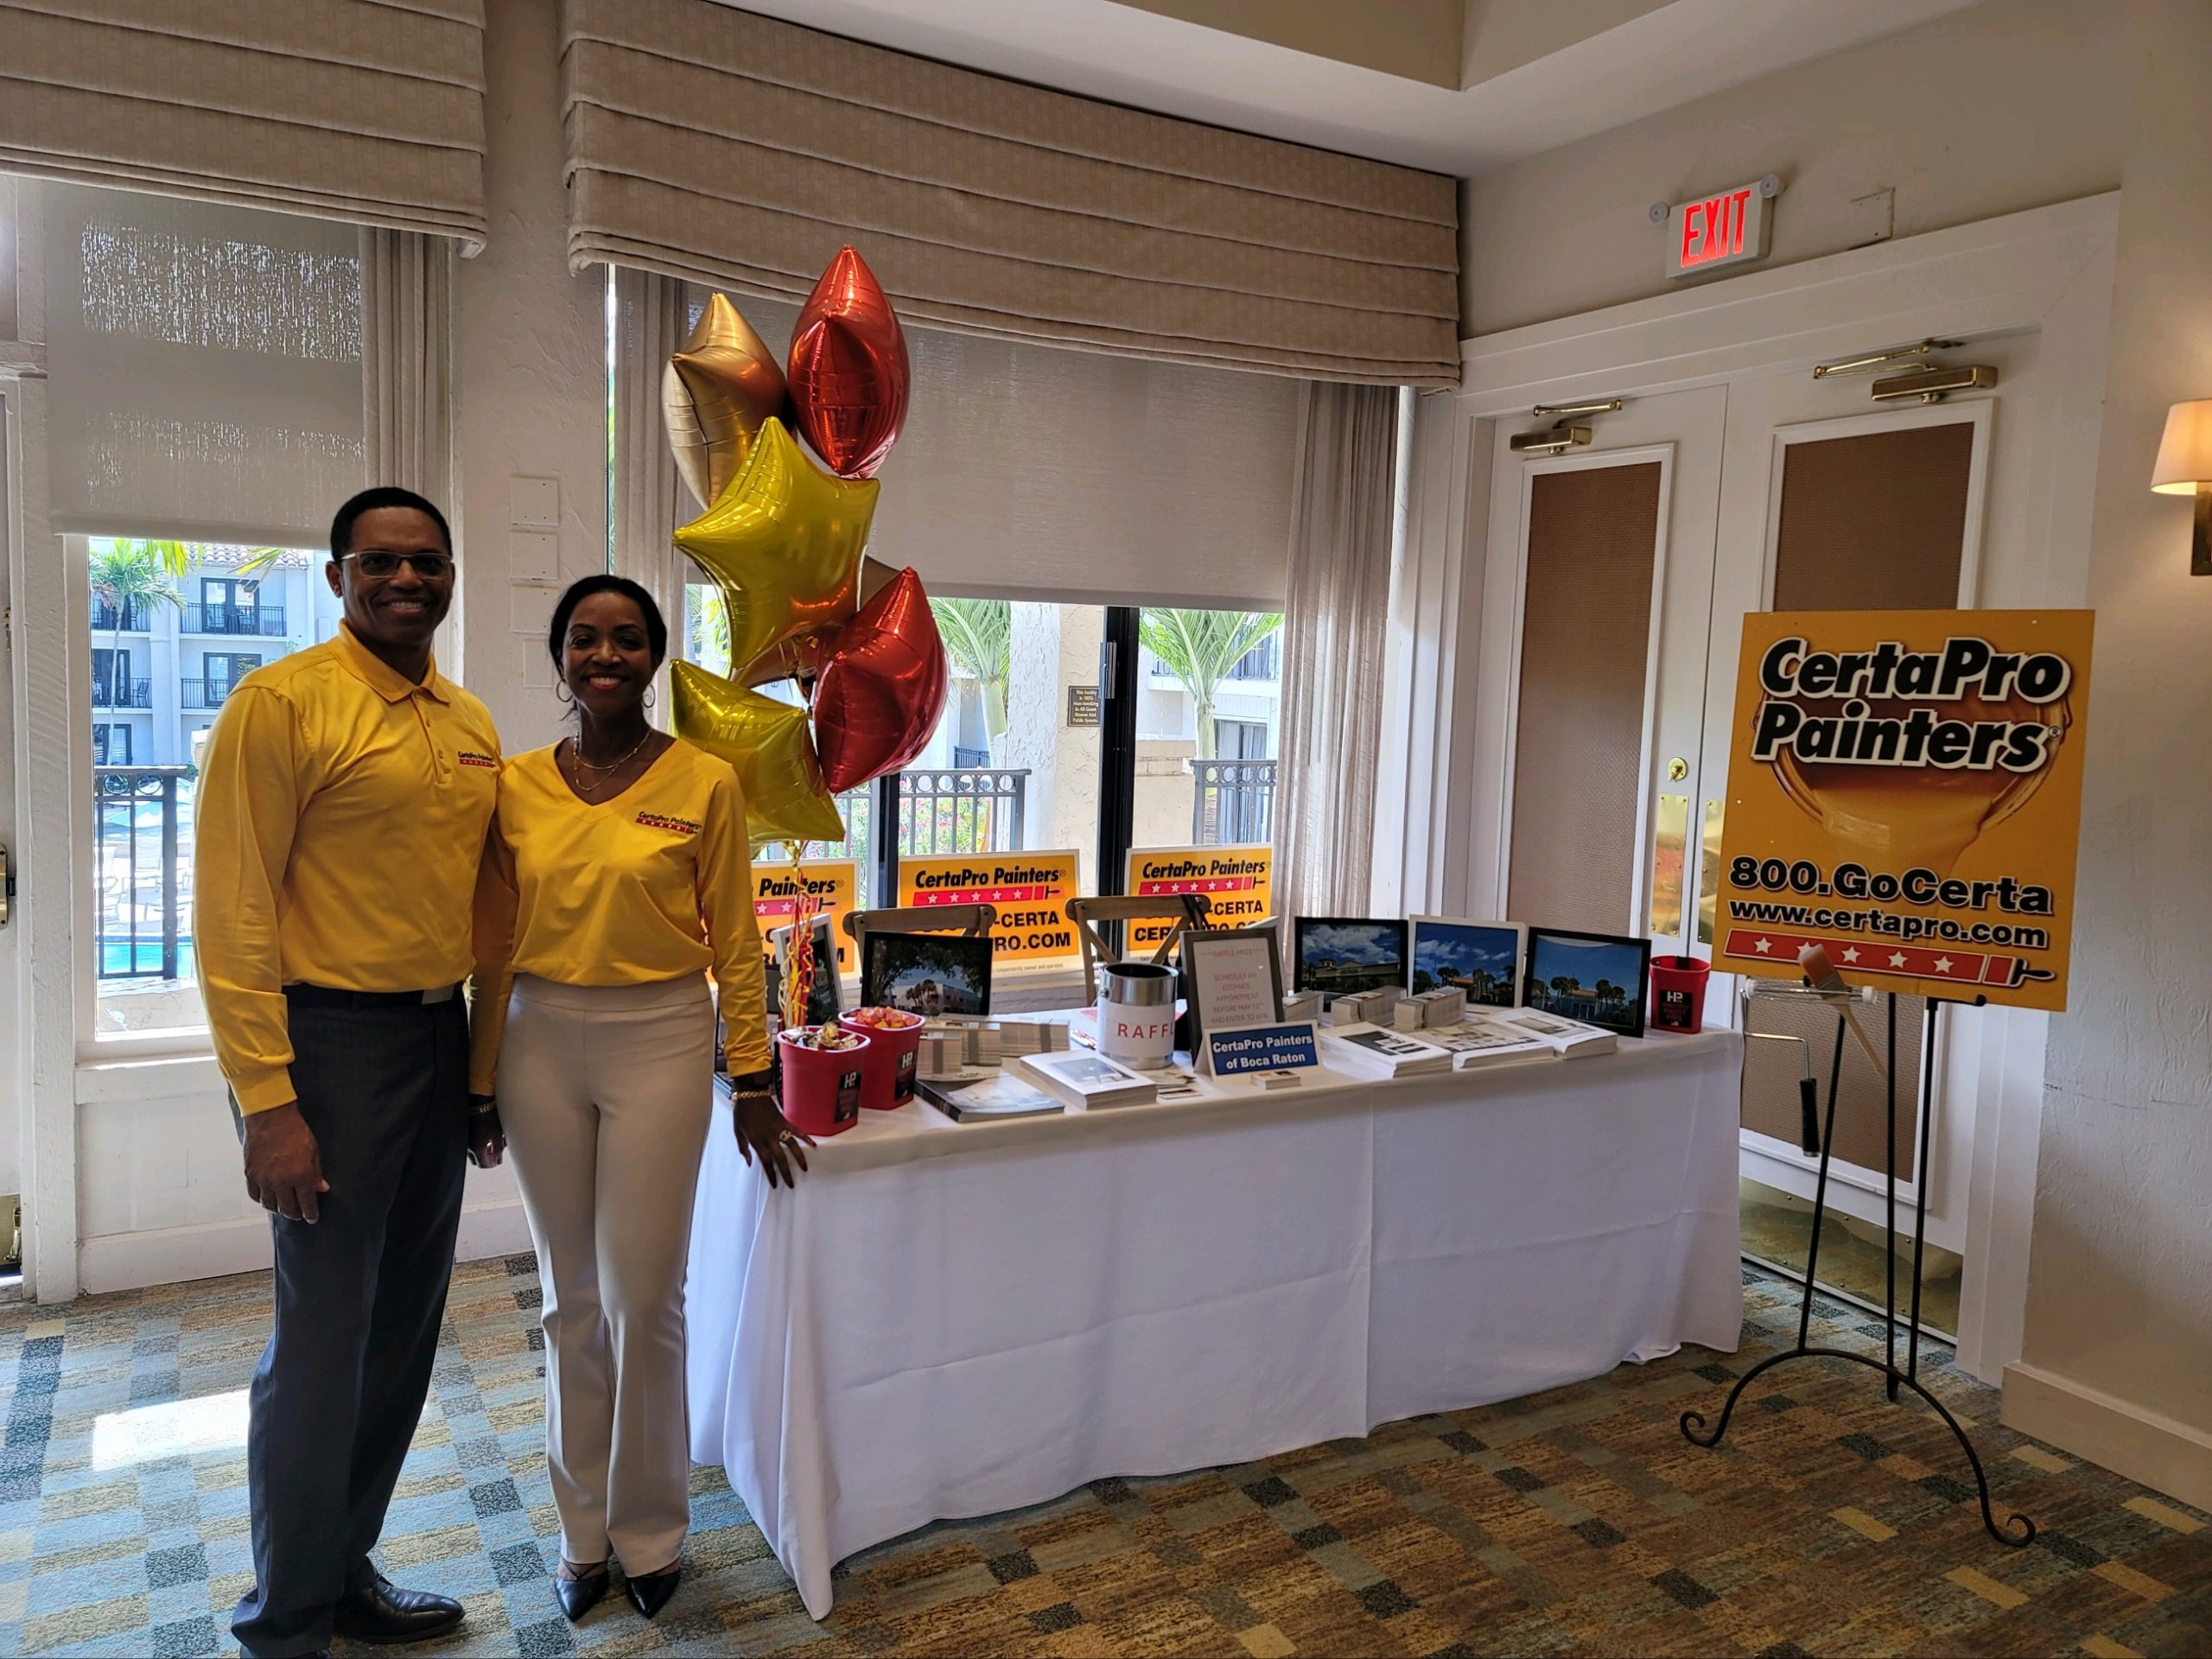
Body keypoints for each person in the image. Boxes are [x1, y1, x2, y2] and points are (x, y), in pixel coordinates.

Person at [467, 575, 809, 1624]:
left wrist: (752, 1077)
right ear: (560, 658)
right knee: (570, 1303)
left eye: (625, 638)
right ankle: (581, 1536)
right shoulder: (515, 784)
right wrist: (479, 1077)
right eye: (584, 638)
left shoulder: (704, 781)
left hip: (660, 1034)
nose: (604, 655)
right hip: (536, 1040)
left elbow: (737, 942)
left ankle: (652, 1531)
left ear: (654, 657)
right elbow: (491, 941)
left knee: (644, 1299)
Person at [196, 487, 499, 1658]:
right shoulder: (283, 705)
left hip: (435, 1038)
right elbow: (232, 915)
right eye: (380, 562)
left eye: (427, 562)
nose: (406, 580)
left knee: (402, 1330)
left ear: (451, 575)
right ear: (337, 578)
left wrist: (479, 1073)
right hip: (327, 1048)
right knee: (323, 1341)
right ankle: (286, 1619)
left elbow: (484, 905)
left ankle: (342, 1569)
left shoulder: (467, 720)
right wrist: (266, 1102)